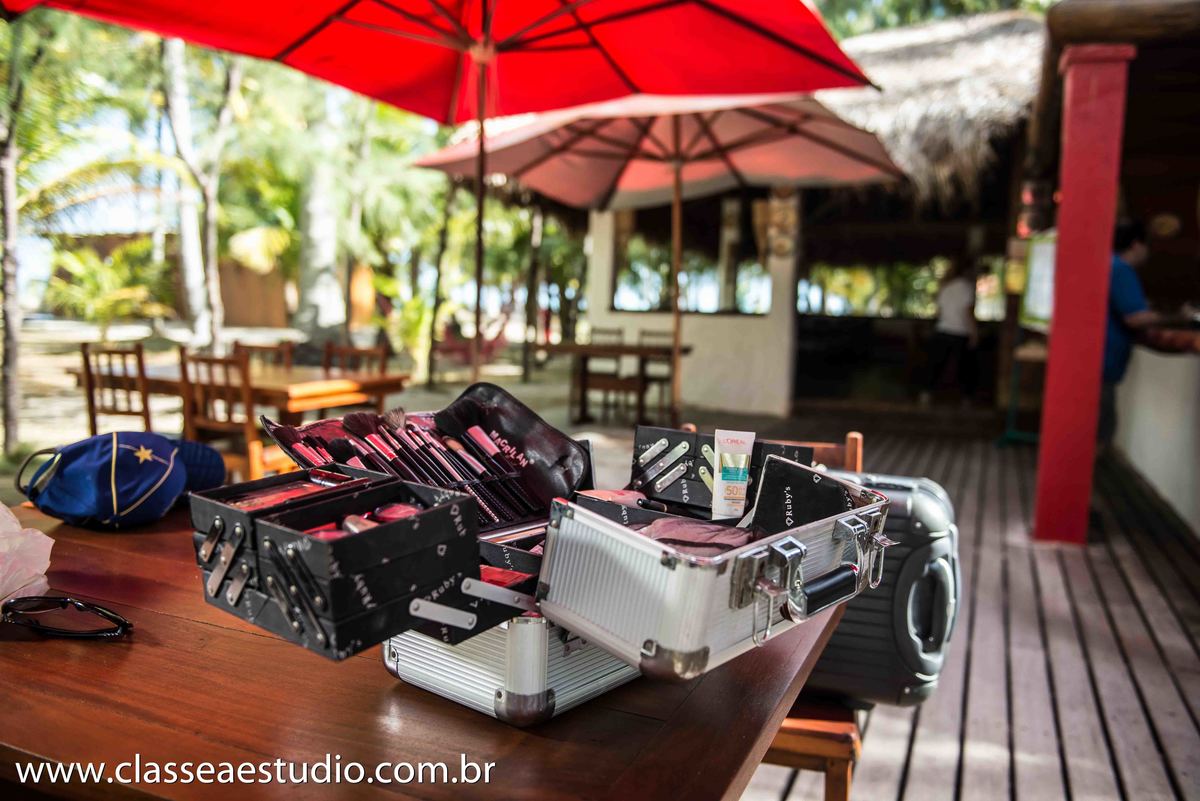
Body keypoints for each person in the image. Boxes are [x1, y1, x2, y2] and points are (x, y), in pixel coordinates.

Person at [1099, 219, 1161, 444]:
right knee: (1103, 424)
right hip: (1105, 360)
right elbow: (1134, 317)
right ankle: (1092, 473)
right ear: (1136, 245)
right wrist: (1168, 317)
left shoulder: (1108, 264)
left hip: (1100, 358)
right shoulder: (1121, 269)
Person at [920, 257, 978, 407]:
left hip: (943, 329)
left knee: (936, 365)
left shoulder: (945, 287)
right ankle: (967, 398)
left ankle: (926, 393)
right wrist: (974, 333)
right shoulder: (966, 287)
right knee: (964, 368)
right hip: (960, 332)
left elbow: (938, 312)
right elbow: (968, 313)